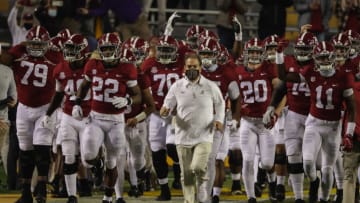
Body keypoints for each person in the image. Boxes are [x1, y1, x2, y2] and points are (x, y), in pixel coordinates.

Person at [265, 41, 356, 203]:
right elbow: (283, 77)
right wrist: (279, 55)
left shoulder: (343, 76)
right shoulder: (310, 72)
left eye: (327, 58)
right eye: (321, 58)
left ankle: (324, 198)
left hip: (333, 125)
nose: (325, 62)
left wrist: (348, 133)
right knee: (306, 162)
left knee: (327, 168)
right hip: (312, 122)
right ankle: (311, 184)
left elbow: (351, 108)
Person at [73, 32, 142, 203]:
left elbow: (138, 96)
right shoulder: (92, 65)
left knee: (113, 162)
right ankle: (98, 165)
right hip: (96, 118)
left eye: (112, 48)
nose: (109, 52)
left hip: (116, 121)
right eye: (105, 49)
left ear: (119, 49)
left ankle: (107, 197)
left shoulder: (127, 68)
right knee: (88, 156)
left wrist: (127, 100)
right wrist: (77, 102)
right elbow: (83, 86)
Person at [0, 25, 63, 203]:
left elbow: (63, 84)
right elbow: (3, 60)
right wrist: (16, 49)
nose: (35, 48)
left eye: (39, 44)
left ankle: (41, 190)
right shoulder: (19, 51)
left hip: (45, 108)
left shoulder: (55, 56)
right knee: (25, 152)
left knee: (42, 150)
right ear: (26, 43)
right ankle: (26, 192)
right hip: (23, 108)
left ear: (47, 43)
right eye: (32, 44)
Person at [160, 53, 225, 203]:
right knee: (186, 174)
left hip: (204, 135)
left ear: (201, 68)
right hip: (182, 136)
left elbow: (220, 103)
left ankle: (202, 186)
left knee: (197, 167)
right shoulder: (177, 86)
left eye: (195, 66)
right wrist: (164, 111)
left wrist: (219, 120)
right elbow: (167, 105)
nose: (192, 69)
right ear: (184, 67)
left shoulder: (210, 85)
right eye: (189, 66)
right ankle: (189, 201)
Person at [77, 0, 151, 41]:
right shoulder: (107, 1)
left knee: (147, 42)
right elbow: (102, 10)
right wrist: (89, 12)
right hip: (125, 24)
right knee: (126, 45)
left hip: (140, 20)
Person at [0, 51, 17, 174]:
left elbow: (13, 99)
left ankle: (11, 180)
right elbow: (13, 100)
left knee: (5, 149)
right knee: (4, 149)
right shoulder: (7, 71)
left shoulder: (7, 71)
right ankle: (11, 180)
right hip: (2, 118)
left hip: (2, 118)